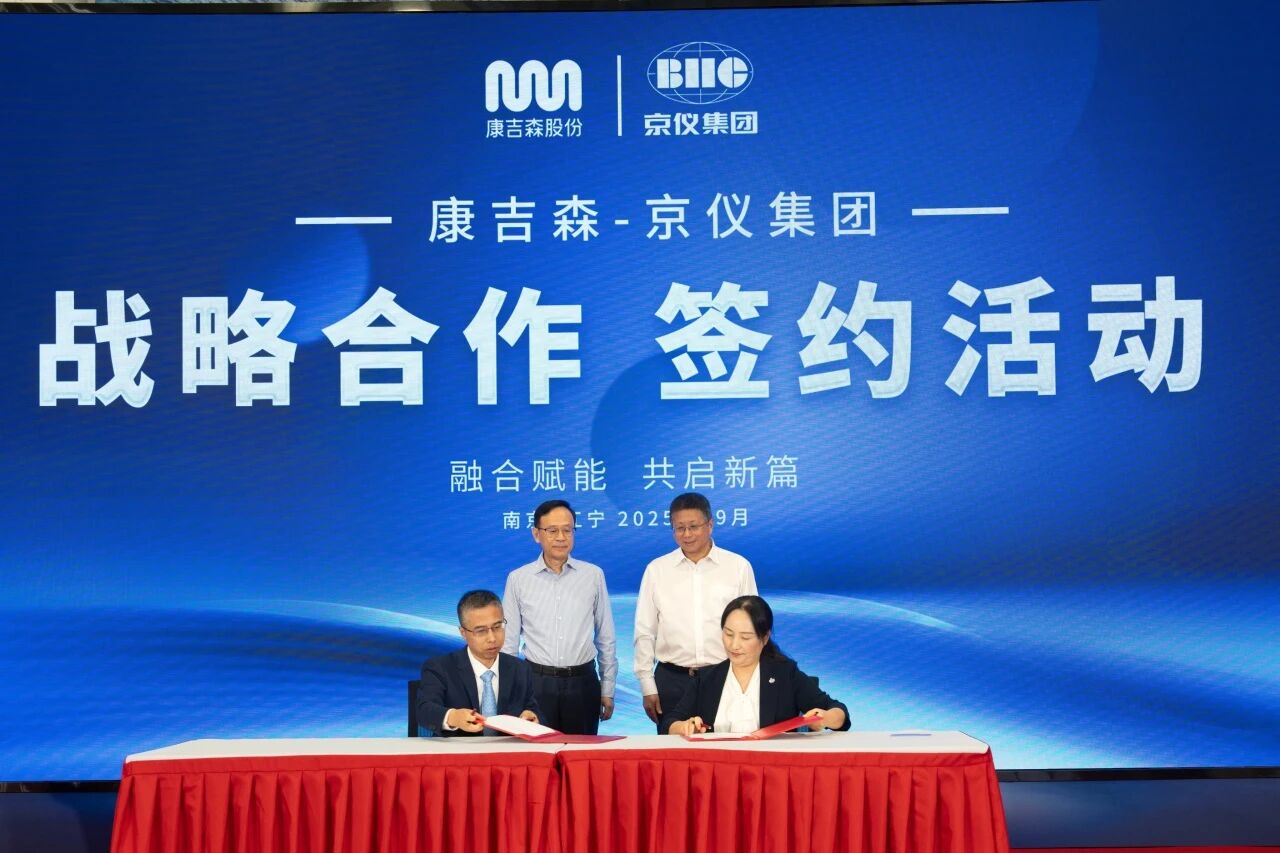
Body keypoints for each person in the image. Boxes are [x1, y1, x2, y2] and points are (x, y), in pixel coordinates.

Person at [633, 492, 757, 732]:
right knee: (673, 750)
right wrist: (647, 685)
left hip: (725, 676)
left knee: (726, 750)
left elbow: (753, 628)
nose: (687, 534)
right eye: (680, 528)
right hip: (672, 681)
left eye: (693, 527)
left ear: (710, 524)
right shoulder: (657, 570)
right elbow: (645, 631)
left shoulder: (737, 567)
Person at [502, 499, 618, 735]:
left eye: (567, 530)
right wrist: (510, 694)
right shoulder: (518, 579)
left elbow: (605, 636)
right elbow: (508, 643)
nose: (561, 537)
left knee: (581, 754)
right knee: (537, 753)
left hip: (583, 683)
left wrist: (607, 688)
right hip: (536, 683)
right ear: (537, 534)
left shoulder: (593, 575)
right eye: (552, 531)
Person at [665, 595, 849, 736]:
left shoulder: (785, 674)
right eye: (728, 634)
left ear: (765, 638)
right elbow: (669, 723)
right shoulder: (707, 677)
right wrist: (684, 727)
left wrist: (825, 718)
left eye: (745, 637)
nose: (734, 645)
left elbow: (839, 712)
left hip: (771, 768)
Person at [417, 589, 540, 737]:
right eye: (481, 631)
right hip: (458, 750)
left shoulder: (520, 669)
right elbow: (424, 710)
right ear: (463, 633)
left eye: (497, 627)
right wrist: (453, 717)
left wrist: (531, 717)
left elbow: (533, 709)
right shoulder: (440, 668)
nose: (492, 638)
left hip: (507, 749)